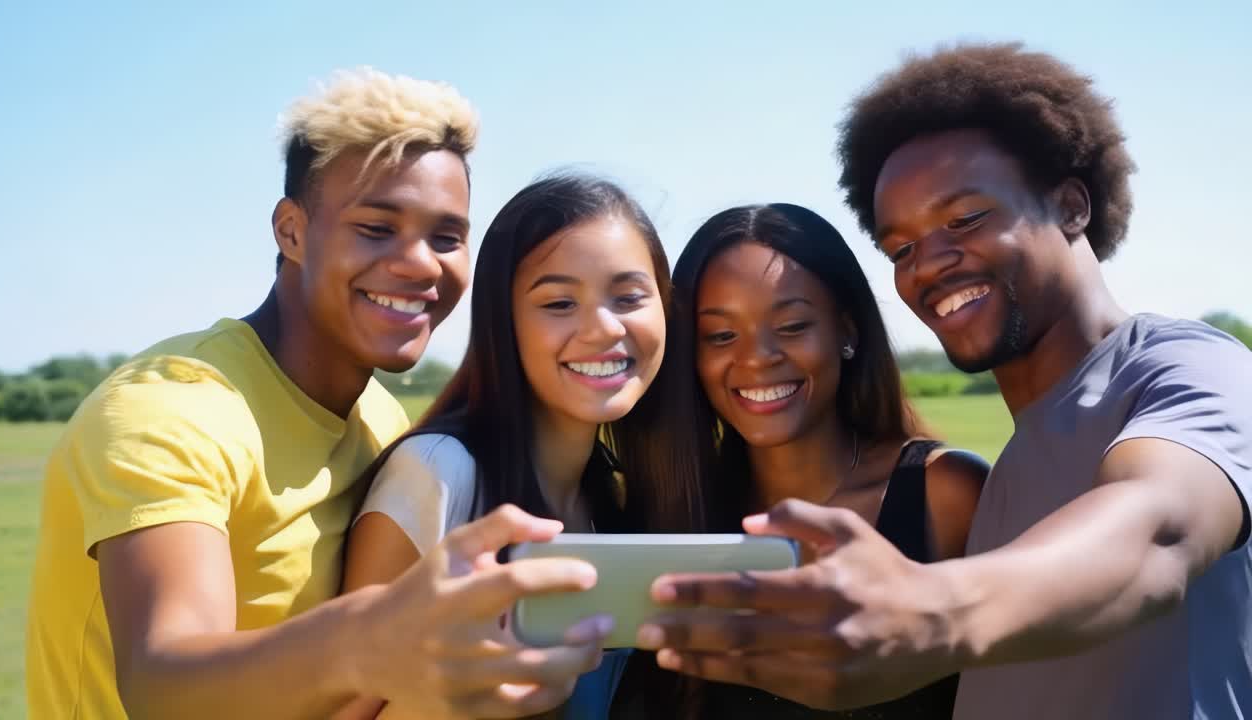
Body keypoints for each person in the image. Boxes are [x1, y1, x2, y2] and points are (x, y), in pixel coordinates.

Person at [634, 43, 1252, 719]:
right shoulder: (1019, 457)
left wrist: (927, 616)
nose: (929, 263)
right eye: (901, 248)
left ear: (1071, 207)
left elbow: (1157, 532)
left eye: (964, 219)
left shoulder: (1191, 366)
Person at [25, 69, 610, 720]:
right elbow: (161, 681)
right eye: (376, 228)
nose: (420, 263)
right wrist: (367, 642)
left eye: (446, 236)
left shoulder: (384, 424)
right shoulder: (168, 411)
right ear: (292, 231)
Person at [341, 172, 702, 719]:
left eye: (629, 297)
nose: (603, 328)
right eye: (558, 303)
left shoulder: (616, 498)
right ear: (503, 323)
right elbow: (349, 709)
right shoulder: (438, 474)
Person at [612, 204, 988, 719]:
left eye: (791, 325)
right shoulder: (671, 512)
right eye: (721, 336)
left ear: (847, 332)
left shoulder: (945, 493)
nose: (758, 356)